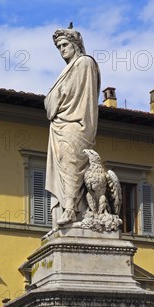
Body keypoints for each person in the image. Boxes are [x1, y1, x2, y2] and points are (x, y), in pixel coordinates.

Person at [44, 26, 101, 227]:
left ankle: (71, 209)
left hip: (76, 124)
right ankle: (70, 211)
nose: (62, 50)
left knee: (71, 162)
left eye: (65, 45)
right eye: (59, 47)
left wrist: (54, 98)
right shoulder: (68, 69)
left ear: (76, 45)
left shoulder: (85, 63)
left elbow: (65, 94)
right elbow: (51, 103)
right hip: (60, 125)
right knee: (63, 165)